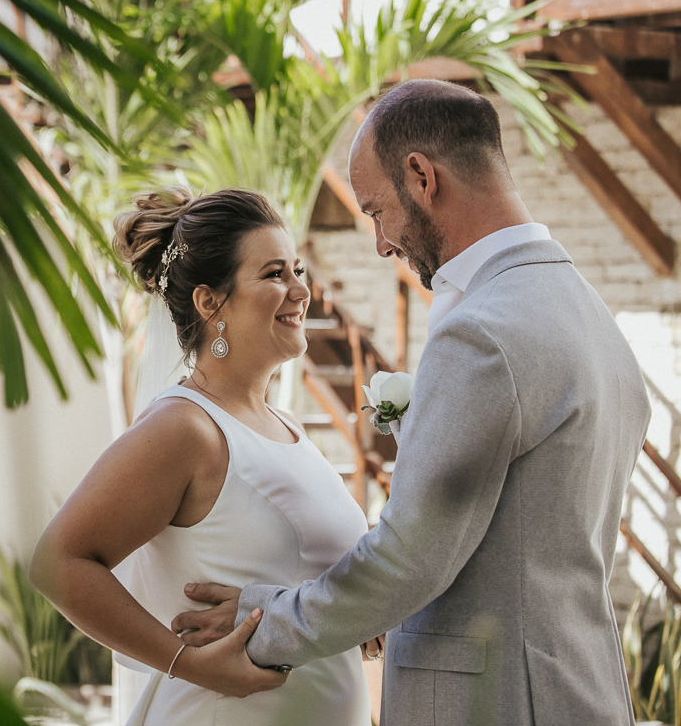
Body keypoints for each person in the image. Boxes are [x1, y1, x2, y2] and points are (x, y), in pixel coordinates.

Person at [171, 79, 651, 725]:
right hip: (575, 688)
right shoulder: (588, 312)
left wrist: (265, 621)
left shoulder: (483, 331)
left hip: (499, 703)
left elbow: (411, 556)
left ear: (422, 177)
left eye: (374, 211)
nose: (380, 243)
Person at [30, 187, 376, 726]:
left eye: (297, 270)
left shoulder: (284, 428)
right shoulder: (186, 428)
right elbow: (59, 562)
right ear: (211, 302)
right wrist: (190, 664)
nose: (299, 290)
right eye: (273, 274)